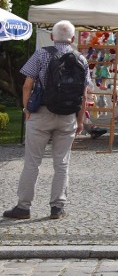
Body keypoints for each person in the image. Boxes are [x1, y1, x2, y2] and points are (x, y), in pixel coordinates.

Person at [4, 20, 91, 221]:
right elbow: (84, 95)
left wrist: (27, 109)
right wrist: (79, 121)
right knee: (61, 164)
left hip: (41, 114)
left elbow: (27, 84)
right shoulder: (81, 59)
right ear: (73, 38)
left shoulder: (42, 54)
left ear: (52, 37)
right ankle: (57, 208)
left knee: (32, 163)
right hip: (68, 116)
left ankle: (23, 208)